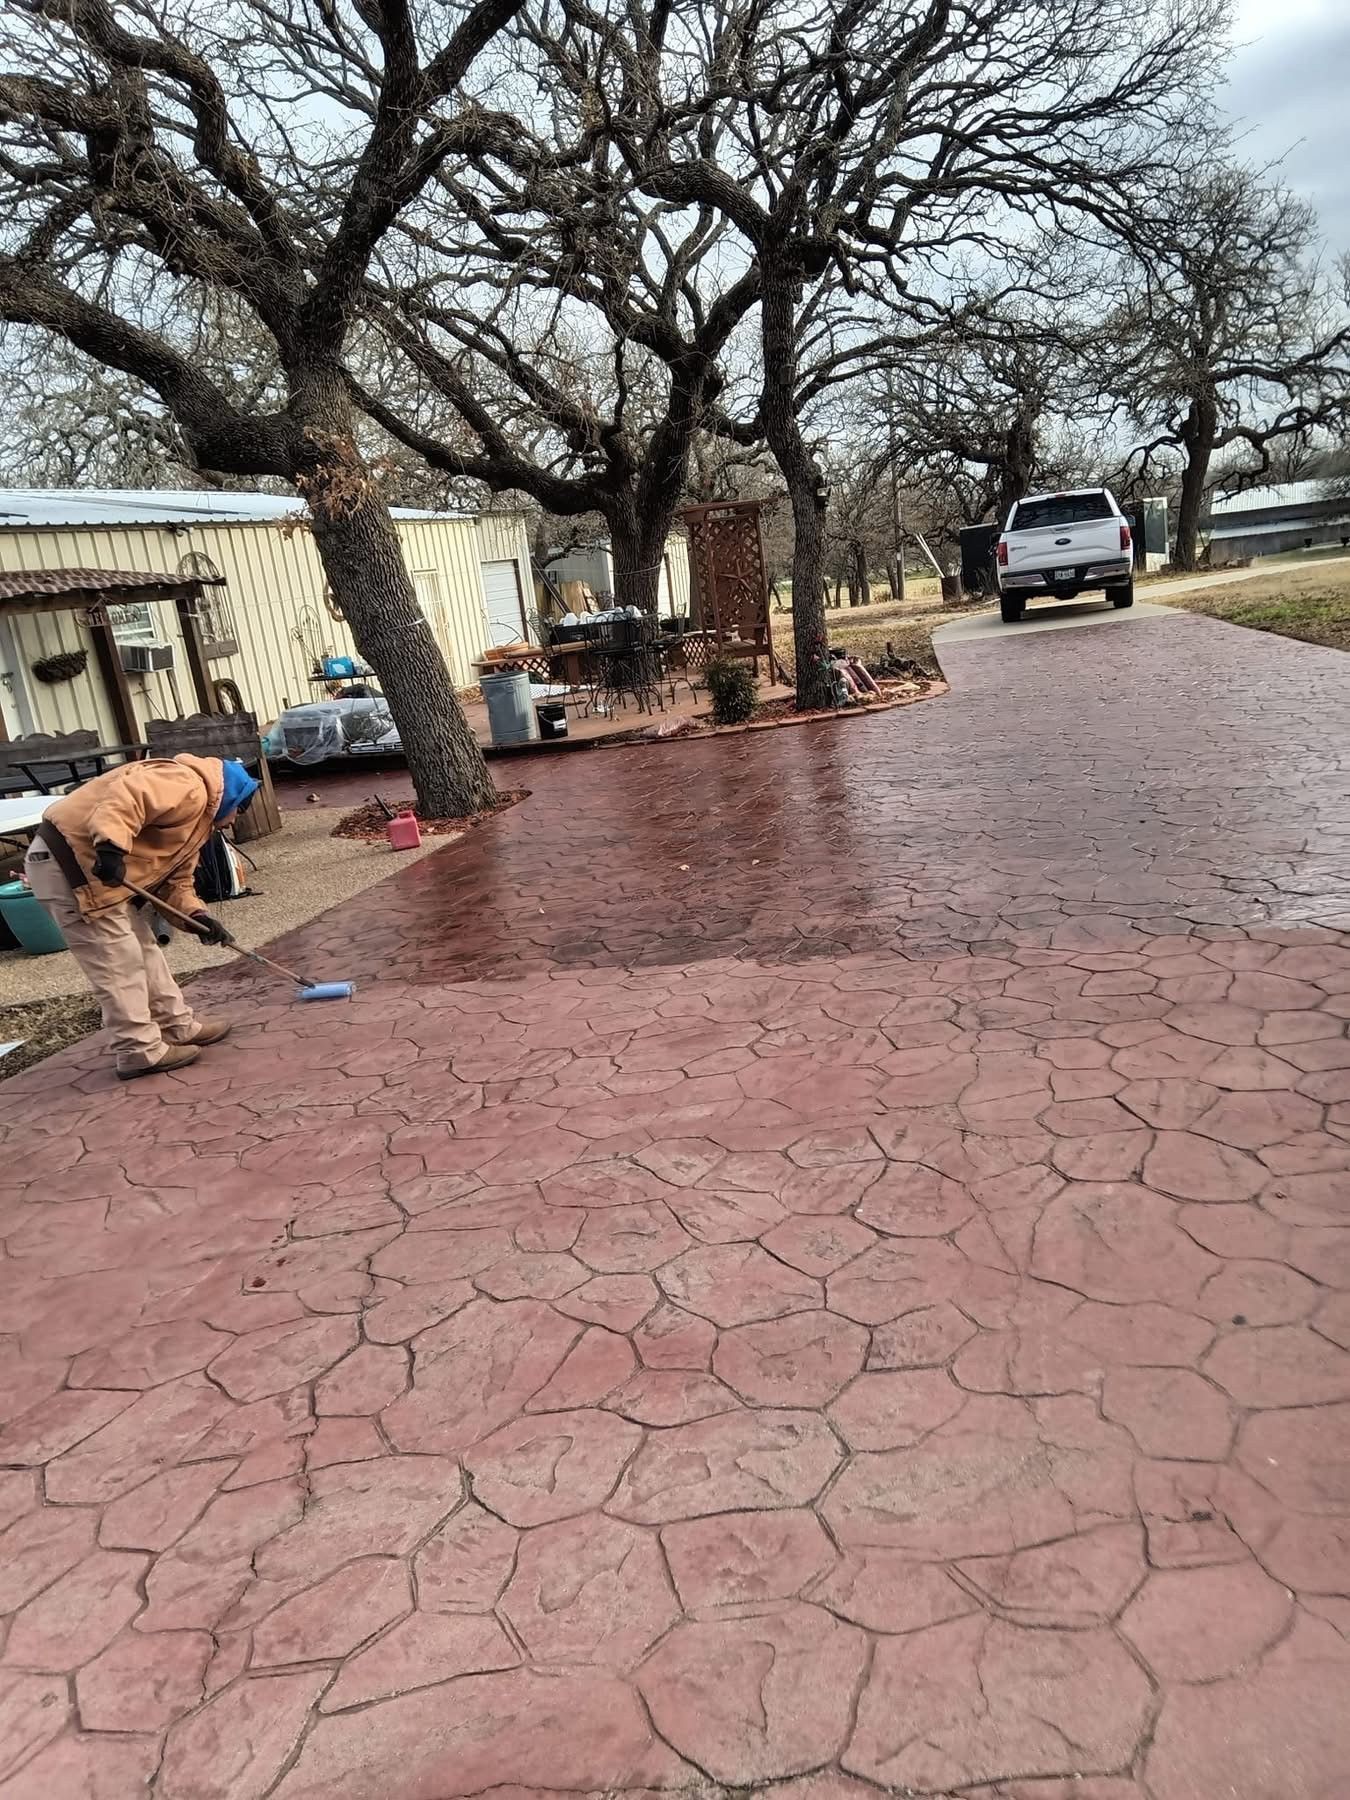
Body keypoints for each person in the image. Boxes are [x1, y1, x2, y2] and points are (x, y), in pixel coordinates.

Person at [24, 756, 260, 1080]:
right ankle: (139, 1050)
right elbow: (128, 796)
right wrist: (111, 847)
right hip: (67, 867)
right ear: (231, 799)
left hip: (93, 872)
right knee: (116, 960)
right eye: (240, 811)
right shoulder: (188, 784)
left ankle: (176, 1027)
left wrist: (197, 916)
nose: (234, 821)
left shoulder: (198, 819)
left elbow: (176, 882)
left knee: (144, 949)